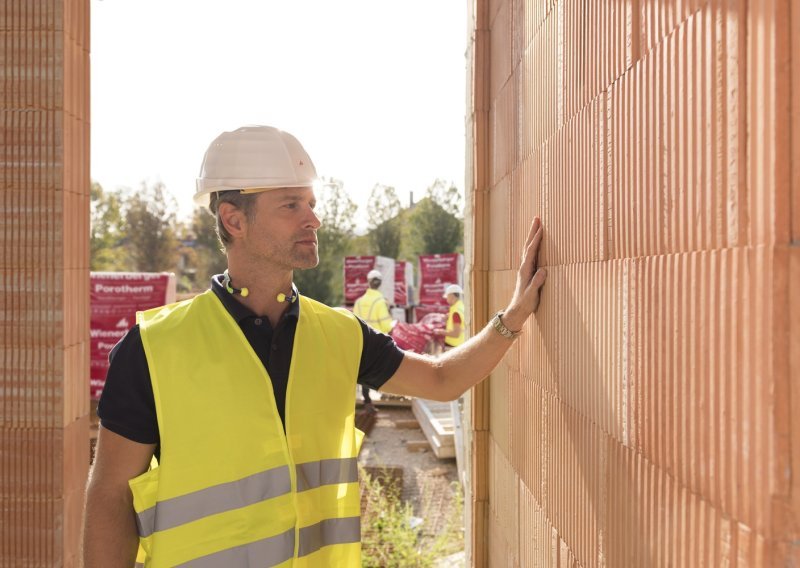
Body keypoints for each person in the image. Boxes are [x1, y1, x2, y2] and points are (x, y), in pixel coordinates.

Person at [82, 125, 547, 568]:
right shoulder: (154, 348)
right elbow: (109, 496)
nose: (314, 219)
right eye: (291, 206)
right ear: (233, 219)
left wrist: (512, 318)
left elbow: (443, 380)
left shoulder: (340, 333)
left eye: (311, 202)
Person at [352, 269, 394, 413]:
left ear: (368, 283)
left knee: (363, 370)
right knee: (382, 367)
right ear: (380, 283)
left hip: (361, 340)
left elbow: (353, 322)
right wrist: (394, 323)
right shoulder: (380, 301)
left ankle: (367, 401)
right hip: (378, 342)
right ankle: (384, 392)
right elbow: (386, 325)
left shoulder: (359, 302)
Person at [434, 283, 465, 350]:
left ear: (451, 296)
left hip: (453, 347)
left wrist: (440, 331)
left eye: (447, 297)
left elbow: (456, 334)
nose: (446, 299)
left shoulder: (455, 312)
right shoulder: (460, 307)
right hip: (460, 344)